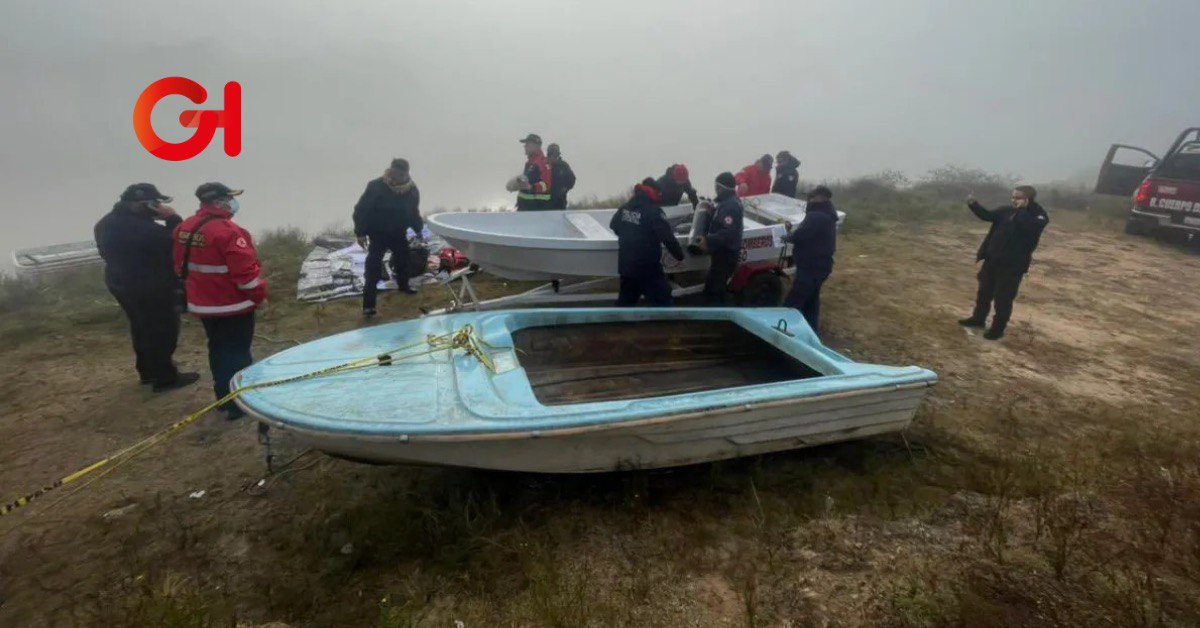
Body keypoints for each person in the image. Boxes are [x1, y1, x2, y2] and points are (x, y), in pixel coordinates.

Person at [173, 183, 267, 420]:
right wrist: (259, 297)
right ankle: (240, 404)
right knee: (237, 354)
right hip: (231, 305)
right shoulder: (230, 233)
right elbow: (247, 278)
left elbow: (179, 266)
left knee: (217, 349)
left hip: (203, 305)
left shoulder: (185, 228)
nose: (232, 202)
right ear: (218, 202)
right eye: (229, 198)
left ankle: (224, 398)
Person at [94, 184, 199, 391]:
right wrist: (173, 219)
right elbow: (177, 241)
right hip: (149, 284)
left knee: (141, 327)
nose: (159, 207)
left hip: (120, 282)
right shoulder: (142, 228)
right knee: (162, 329)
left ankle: (148, 371)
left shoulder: (105, 223)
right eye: (155, 203)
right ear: (142, 204)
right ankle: (165, 377)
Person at [958, 185, 1050, 340]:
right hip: (992, 260)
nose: (1014, 200)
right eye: (1013, 197)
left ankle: (997, 329)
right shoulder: (1005, 211)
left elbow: (1032, 228)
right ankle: (978, 319)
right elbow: (987, 215)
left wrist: (1022, 211)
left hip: (1012, 266)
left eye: (1018, 198)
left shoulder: (1038, 216)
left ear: (1028, 199)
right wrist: (973, 204)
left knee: (1003, 299)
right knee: (984, 293)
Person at [353, 158, 424, 317]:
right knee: (373, 266)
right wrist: (360, 232)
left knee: (403, 259)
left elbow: (413, 212)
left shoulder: (411, 190)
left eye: (403, 174)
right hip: (378, 233)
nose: (400, 177)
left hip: (398, 232)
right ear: (391, 171)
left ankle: (403, 286)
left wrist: (418, 229)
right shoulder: (376, 186)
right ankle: (369, 304)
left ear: (407, 173)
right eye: (397, 173)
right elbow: (361, 209)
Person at [609, 178, 685, 306]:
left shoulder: (625, 208)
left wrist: (629, 236)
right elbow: (667, 237)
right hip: (648, 268)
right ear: (654, 193)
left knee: (625, 305)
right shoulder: (654, 211)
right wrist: (680, 255)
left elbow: (614, 225)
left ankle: (615, 323)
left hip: (626, 267)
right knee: (664, 304)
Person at [783, 186, 838, 334]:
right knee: (811, 304)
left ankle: (782, 332)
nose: (809, 200)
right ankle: (811, 334)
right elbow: (809, 234)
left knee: (792, 303)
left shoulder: (816, 216)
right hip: (821, 266)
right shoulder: (827, 214)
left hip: (810, 267)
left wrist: (786, 236)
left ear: (820, 198)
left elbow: (800, 236)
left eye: (811, 197)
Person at [700, 172, 745, 305]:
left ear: (720, 188)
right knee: (713, 285)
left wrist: (708, 240)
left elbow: (728, 232)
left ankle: (716, 317)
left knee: (715, 288)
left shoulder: (730, 206)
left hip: (726, 254)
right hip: (722, 253)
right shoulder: (727, 203)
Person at [515, 133, 553, 210]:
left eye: (528, 144)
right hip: (526, 207)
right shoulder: (530, 163)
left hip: (536, 208)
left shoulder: (542, 162)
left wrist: (531, 187)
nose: (525, 147)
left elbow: (546, 184)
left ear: (537, 146)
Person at [547, 143, 576, 210]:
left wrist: (565, 189)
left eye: (555, 155)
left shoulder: (563, 166)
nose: (553, 157)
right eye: (551, 155)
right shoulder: (544, 166)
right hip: (545, 204)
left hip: (560, 203)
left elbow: (572, 180)